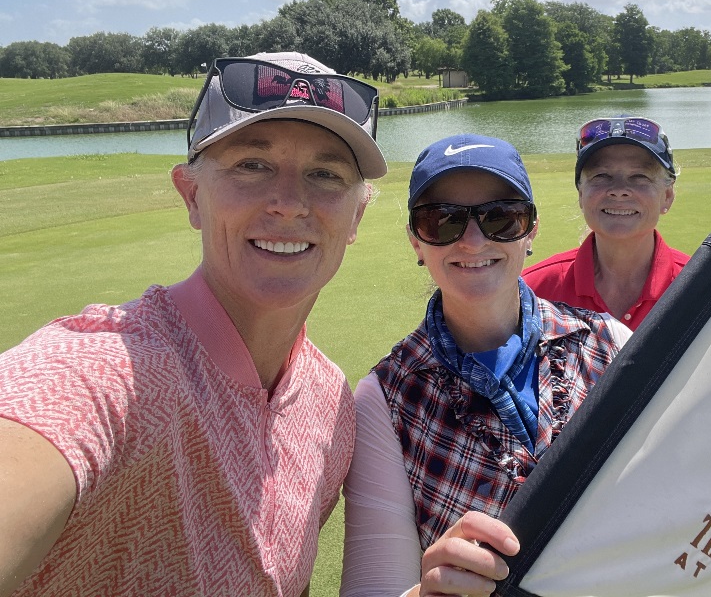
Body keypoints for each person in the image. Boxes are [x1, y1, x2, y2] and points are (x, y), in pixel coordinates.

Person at [0, 51, 388, 596]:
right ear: (192, 195)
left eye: (325, 174)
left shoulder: (330, 404)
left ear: (357, 217)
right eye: (251, 165)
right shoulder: (101, 372)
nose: (289, 202)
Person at [339, 134, 632, 597]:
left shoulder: (609, 342)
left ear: (531, 230)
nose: (474, 241)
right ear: (417, 241)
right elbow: (374, 588)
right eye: (443, 221)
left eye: (501, 217)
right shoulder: (386, 398)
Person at [523, 115, 689, 330]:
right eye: (601, 176)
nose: (618, 190)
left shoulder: (704, 288)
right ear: (581, 195)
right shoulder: (531, 292)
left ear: (667, 196)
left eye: (640, 177)